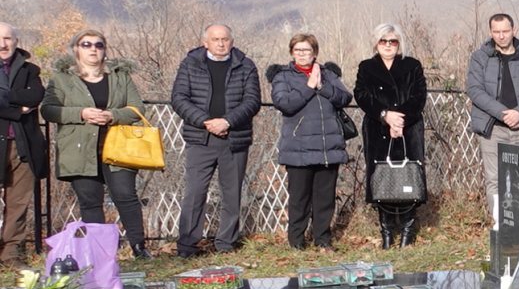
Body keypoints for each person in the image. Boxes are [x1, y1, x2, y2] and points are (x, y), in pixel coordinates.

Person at [41, 29, 148, 258]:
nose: (93, 49)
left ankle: (139, 248)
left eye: (98, 45)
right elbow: (48, 110)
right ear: (76, 49)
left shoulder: (120, 77)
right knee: (90, 201)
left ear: (105, 50)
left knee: (125, 196)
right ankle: (101, 253)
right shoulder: (62, 79)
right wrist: (81, 113)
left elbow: (137, 108)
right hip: (78, 149)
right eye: (86, 44)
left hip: (118, 146)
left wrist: (113, 115)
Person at [169, 23, 262, 255]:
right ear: (205, 42)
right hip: (200, 138)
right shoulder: (190, 64)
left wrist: (227, 121)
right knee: (195, 192)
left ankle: (226, 243)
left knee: (232, 193)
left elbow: (252, 101)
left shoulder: (246, 66)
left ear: (232, 41)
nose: (221, 44)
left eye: (225, 39)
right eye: (215, 39)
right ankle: (187, 245)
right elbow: (179, 98)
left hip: (235, 138)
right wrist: (205, 121)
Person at [268, 34, 352, 250]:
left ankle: (322, 239)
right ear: (291, 52)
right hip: (298, 148)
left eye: (306, 50)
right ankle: (296, 241)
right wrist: (309, 86)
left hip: (327, 146)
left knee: (325, 198)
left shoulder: (328, 74)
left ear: (315, 52)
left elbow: (345, 97)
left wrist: (322, 86)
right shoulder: (283, 77)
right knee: (299, 198)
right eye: (298, 50)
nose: (302, 54)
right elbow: (284, 103)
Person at [355, 23, 428, 248]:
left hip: (408, 128)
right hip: (378, 129)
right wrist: (385, 116)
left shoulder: (412, 65)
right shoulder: (367, 67)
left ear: (399, 43)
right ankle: (386, 231)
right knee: (381, 177)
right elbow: (361, 95)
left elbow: (419, 96)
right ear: (376, 43)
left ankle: (407, 230)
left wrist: (399, 119)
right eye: (383, 41)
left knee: (408, 175)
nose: (388, 45)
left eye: (393, 41)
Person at [466, 13, 519, 220]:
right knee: (495, 180)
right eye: (496, 32)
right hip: (493, 128)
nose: (501, 36)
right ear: (490, 32)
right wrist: (503, 114)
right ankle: (501, 226)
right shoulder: (480, 57)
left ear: (514, 30)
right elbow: (475, 90)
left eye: (505, 31)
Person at [0, 25, 48, 266]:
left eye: (7, 38)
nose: (3, 44)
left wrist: (5, 97)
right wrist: (18, 109)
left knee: (18, 202)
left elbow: (36, 96)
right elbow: (25, 102)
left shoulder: (30, 70)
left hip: (23, 145)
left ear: (16, 41)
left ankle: (11, 254)